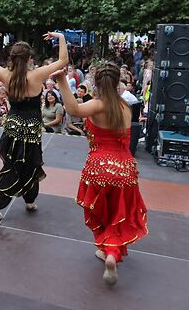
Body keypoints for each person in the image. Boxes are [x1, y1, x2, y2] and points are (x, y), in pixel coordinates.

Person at [53, 62, 148, 286]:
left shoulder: (96, 105)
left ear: (96, 83)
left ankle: (108, 251)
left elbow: (73, 110)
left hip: (98, 169)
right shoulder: (125, 107)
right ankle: (112, 253)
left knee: (103, 214)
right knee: (118, 215)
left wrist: (62, 81)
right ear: (118, 82)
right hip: (124, 170)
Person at [0, 30, 68, 219]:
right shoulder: (37, 75)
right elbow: (63, 60)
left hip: (12, 127)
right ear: (30, 58)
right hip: (30, 130)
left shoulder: (6, 75)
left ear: (12, 58)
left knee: (15, 164)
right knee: (29, 164)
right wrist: (61, 38)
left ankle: (29, 199)